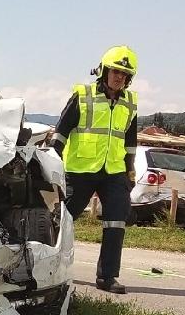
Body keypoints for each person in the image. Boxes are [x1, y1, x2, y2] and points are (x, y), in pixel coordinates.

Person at [51, 45, 139, 294]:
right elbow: (61, 130)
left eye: (124, 74)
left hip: (113, 171)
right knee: (64, 220)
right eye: (115, 71)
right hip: (80, 170)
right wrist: (53, 158)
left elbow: (130, 141)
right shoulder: (84, 95)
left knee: (116, 220)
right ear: (103, 71)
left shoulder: (130, 103)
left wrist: (129, 171)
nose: (119, 77)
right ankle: (49, 266)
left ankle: (107, 277)